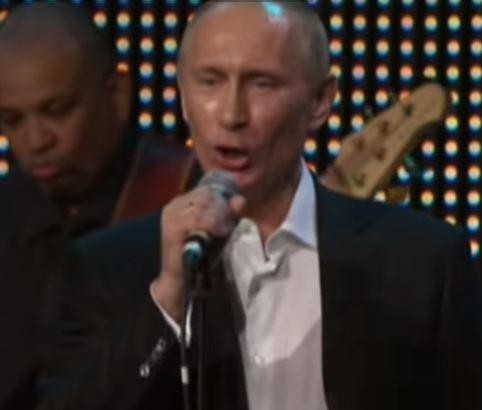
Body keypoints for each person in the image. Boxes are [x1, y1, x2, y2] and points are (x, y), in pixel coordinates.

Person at [42, 1, 482, 409]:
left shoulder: (422, 261)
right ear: (183, 97)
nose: (232, 114)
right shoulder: (110, 267)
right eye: (210, 82)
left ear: (320, 101)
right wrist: (168, 303)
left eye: (262, 84)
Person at [0, 3, 192, 409]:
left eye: (57, 111)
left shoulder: (184, 196)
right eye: (13, 120)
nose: (36, 141)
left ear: (117, 93)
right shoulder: (8, 208)